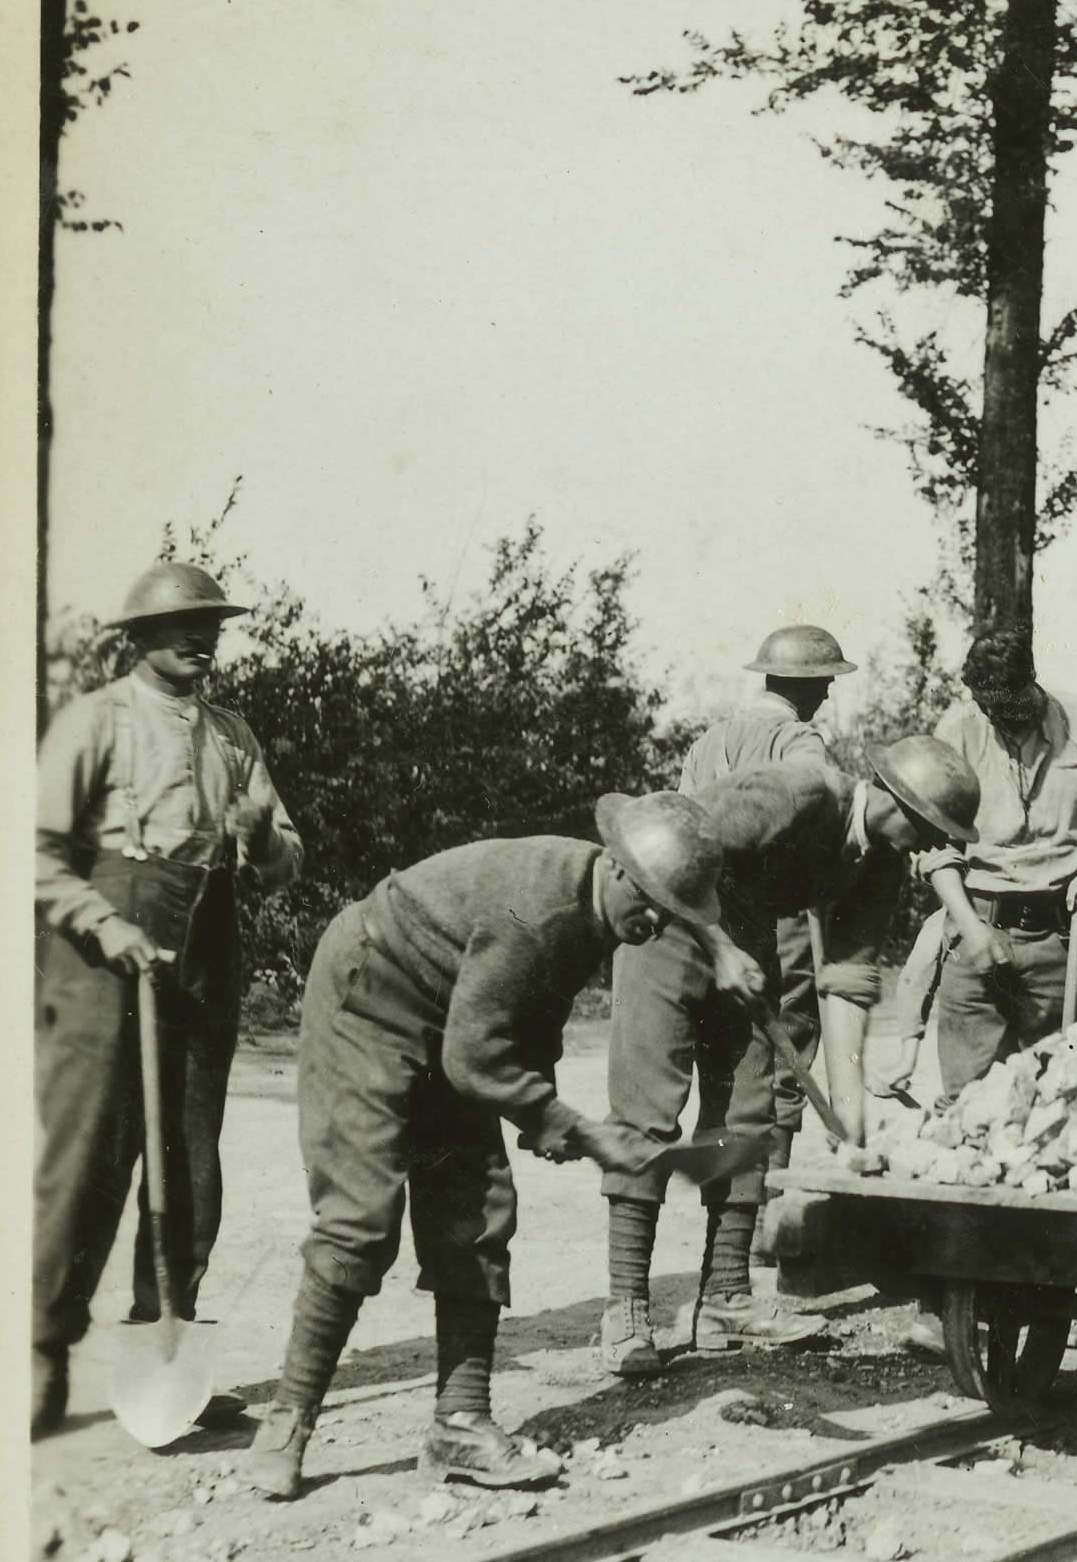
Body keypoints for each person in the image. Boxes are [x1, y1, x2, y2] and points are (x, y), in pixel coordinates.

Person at [239, 800, 712, 1499]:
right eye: (650, 903)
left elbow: (532, 1011)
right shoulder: (539, 908)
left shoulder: (599, 907)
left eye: (672, 912)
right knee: (359, 1218)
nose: (657, 924)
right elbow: (474, 1060)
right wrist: (578, 1127)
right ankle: (286, 1423)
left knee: (479, 1207)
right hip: (370, 996)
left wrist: (542, 1117)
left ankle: (458, 1424)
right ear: (614, 867)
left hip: (453, 1014)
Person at [600, 740, 987, 1377]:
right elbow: (668, 851)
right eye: (925, 829)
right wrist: (719, 950)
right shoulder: (799, 794)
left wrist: (848, 1109)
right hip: (665, 923)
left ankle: (725, 1297)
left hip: (746, 940)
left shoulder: (882, 863)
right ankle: (626, 1308)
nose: (927, 847)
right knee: (649, 1111)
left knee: (749, 1110)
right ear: (890, 797)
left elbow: (846, 980)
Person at [34, 564, 307, 1439]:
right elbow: (33, 853)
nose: (201, 638)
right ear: (138, 637)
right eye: (182, 625)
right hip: (101, 946)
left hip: (206, 943)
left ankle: (167, 1347)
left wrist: (262, 834)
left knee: (190, 1157)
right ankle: (39, 1353)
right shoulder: (96, 720)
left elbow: (284, 857)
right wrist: (101, 922)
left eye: (212, 625)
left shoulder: (233, 736)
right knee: (89, 1154)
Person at [597, 623, 851, 1375]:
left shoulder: (708, 742)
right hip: (683, 922)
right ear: (814, 690)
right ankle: (634, 1306)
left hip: (712, 922)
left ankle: (716, 1300)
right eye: (826, 683)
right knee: (702, 1111)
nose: (828, 694)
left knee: (721, 1107)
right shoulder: (806, 749)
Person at [932, 628, 1077, 1089]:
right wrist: (970, 929)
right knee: (968, 1105)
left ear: (1032, 679)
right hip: (978, 933)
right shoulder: (957, 730)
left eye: (1011, 708)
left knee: (1069, 1096)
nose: (1002, 721)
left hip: (1063, 936)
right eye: (991, 712)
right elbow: (935, 847)